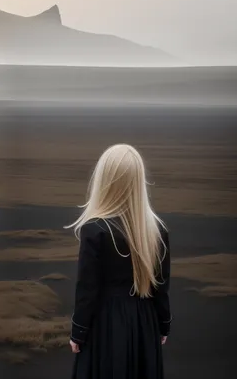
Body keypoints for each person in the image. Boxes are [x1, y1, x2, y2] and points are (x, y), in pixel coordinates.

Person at [65, 144, 172, 379]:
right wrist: (163, 325)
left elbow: (87, 289)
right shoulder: (156, 230)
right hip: (145, 322)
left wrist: (78, 332)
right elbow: (161, 287)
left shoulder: (94, 230)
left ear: (104, 181)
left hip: (106, 325)